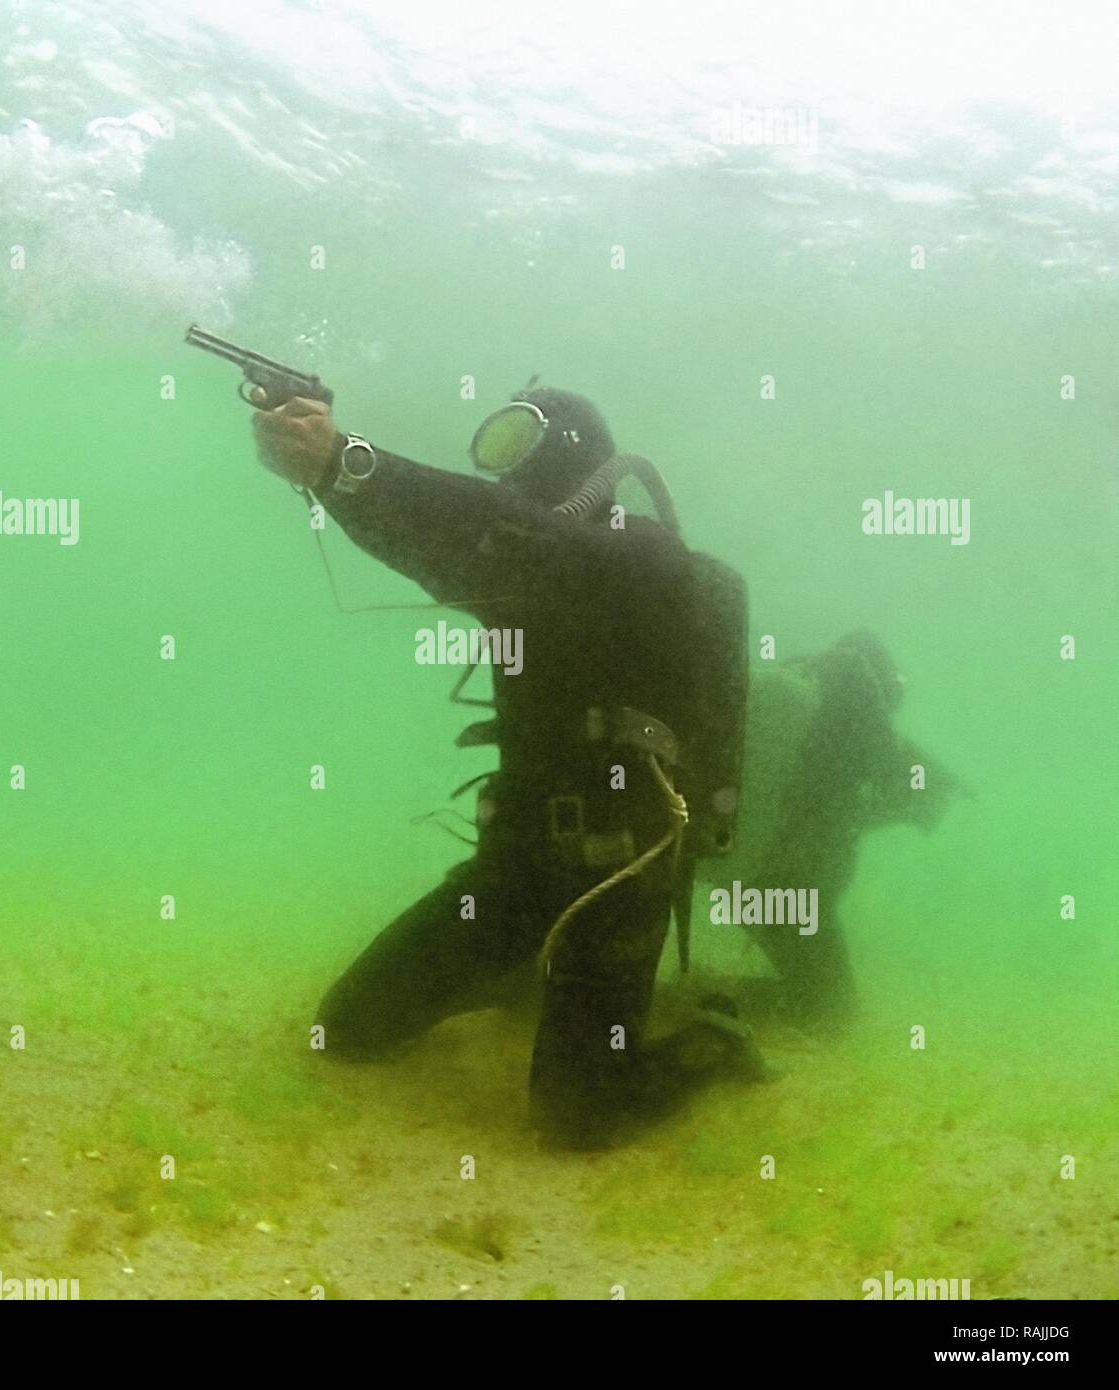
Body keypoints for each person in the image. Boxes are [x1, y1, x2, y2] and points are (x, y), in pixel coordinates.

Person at [251, 384, 756, 1149]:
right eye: (494, 447)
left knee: (576, 1115)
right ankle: (527, 971)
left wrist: (344, 466)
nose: (504, 467)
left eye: (520, 441)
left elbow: (504, 533)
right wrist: (334, 478)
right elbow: (439, 540)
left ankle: (712, 1041)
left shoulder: (644, 553)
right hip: (515, 868)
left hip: (619, 878)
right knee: (347, 1030)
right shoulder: (514, 565)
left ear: (574, 451)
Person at [717, 629, 966, 1031]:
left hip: (731, 869)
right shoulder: (848, 711)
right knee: (833, 1013)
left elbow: (817, 808)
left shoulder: (787, 696)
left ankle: (705, 996)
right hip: (774, 884)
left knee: (818, 992)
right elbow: (836, 816)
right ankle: (711, 1004)